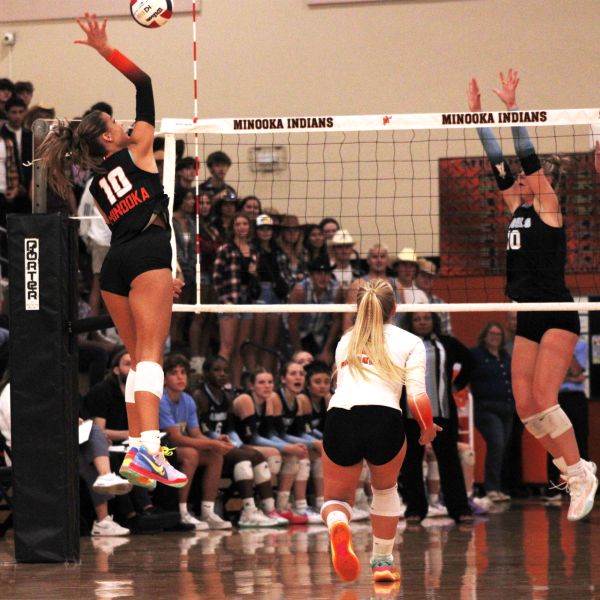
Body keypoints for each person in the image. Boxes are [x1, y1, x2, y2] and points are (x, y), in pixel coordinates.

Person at [37, 14, 187, 488]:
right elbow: (144, 82)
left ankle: (144, 452)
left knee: (135, 354)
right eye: (115, 123)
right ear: (108, 138)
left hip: (119, 266)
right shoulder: (139, 149)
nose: (126, 124)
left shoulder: (99, 181)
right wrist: (107, 51)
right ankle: (147, 450)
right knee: (150, 356)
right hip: (145, 256)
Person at [468, 69, 597, 521]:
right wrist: (477, 117)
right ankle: (573, 466)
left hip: (557, 312)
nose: (517, 177)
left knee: (545, 398)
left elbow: (523, 154)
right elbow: (497, 161)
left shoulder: (547, 205)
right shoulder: (517, 208)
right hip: (528, 314)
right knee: (525, 406)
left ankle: (579, 471)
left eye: (526, 176)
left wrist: (511, 108)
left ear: (541, 180)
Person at [321, 279, 440, 584]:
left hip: (340, 416)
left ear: (358, 309)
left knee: (336, 497)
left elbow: (340, 386)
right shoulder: (411, 342)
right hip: (384, 420)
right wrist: (427, 429)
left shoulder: (346, 340)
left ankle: (338, 523)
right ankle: (383, 562)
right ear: (395, 309)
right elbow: (416, 396)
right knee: (385, 490)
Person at [399, 312, 475, 524]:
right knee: (412, 462)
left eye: (426, 318)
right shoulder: (402, 344)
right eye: (417, 319)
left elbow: (469, 360)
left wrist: (457, 385)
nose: (422, 322)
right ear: (410, 322)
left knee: (449, 460)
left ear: (434, 321)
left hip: (442, 412)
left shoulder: (447, 342)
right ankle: (415, 509)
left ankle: (459, 509)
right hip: (411, 413)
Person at [192, 355, 283, 527]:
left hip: (223, 444)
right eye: (217, 370)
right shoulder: (200, 395)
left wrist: (237, 444)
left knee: (255, 454)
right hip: (207, 445)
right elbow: (204, 430)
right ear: (206, 372)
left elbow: (231, 429)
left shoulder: (227, 396)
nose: (222, 374)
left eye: (226, 370)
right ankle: (248, 511)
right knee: (246, 457)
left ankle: (268, 509)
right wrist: (227, 444)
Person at [159, 354, 232, 530]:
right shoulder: (160, 399)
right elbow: (174, 438)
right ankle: (182, 511)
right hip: (159, 449)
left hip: (176, 447)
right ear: (163, 378)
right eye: (174, 373)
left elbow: (196, 433)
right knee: (191, 454)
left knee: (215, 455)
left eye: (183, 372)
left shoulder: (188, 399)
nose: (180, 377)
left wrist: (215, 442)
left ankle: (207, 512)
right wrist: (211, 444)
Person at [232, 367, 309, 525]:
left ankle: (280, 507)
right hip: (239, 445)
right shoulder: (245, 399)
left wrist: (289, 446)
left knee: (293, 455)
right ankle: (264, 506)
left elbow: (270, 435)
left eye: (269, 382)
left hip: (252, 444)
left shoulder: (267, 400)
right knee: (274, 454)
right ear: (252, 385)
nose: (267, 386)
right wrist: (285, 447)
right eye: (261, 383)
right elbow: (253, 438)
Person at [470, 321, 515, 502]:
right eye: (492, 334)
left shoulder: (505, 356)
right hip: (486, 409)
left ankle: (497, 486)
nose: (496, 337)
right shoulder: (476, 354)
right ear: (485, 336)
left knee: (502, 448)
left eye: (499, 334)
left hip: (507, 408)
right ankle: (491, 488)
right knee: (496, 443)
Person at [213, 212, 258, 388]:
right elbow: (216, 277)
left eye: (245, 224)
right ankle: (220, 385)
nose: (241, 227)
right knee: (227, 346)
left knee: (241, 348)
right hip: (229, 301)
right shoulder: (225, 248)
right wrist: (225, 301)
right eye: (237, 224)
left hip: (247, 302)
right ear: (232, 227)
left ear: (249, 227)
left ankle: (236, 386)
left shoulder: (253, 249)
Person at [545, 338, 590, 505]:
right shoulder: (548, 345)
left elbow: (577, 371)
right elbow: (548, 377)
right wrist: (570, 378)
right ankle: (553, 487)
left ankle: (583, 486)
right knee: (553, 441)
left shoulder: (581, 345)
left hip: (575, 399)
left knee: (579, 441)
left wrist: (566, 347)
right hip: (555, 398)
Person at [247, 214, 295, 373]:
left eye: (269, 228)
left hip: (276, 295)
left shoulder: (278, 251)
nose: (266, 232)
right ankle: (253, 374)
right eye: (262, 228)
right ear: (256, 231)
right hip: (259, 293)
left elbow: (287, 275)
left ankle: (267, 374)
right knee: (256, 338)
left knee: (271, 341)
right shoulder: (251, 249)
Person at [286, 255, 343, 366]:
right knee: (297, 366)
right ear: (311, 275)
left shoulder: (336, 289)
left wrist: (327, 350)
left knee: (322, 365)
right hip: (296, 334)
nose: (323, 277)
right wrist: (299, 352)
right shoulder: (300, 290)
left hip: (319, 334)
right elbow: (292, 322)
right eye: (319, 273)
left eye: (326, 273)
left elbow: (337, 321)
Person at [191, 192, 222, 373]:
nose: (204, 206)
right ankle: (195, 358)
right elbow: (205, 248)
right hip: (200, 272)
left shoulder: (211, 225)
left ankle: (203, 357)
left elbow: (216, 246)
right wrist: (217, 247)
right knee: (199, 315)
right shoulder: (194, 224)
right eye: (201, 203)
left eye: (208, 203)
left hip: (213, 274)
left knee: (210, 316)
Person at [344, 243, 402, 331]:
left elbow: (402, 317)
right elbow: (348, 318)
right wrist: (348, 340)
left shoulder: (397, 284)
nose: (379, 260)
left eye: (382, 256)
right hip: (366, 337)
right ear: (368, 260)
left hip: (393, 336)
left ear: (387, 260)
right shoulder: (358, 284)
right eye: (375, 257)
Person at [1, 96, 32, 213]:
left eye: (21, 112)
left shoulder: (28, 135)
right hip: (7, 189)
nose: (18, 116)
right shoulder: (2, 134)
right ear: (7, 113)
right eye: (14, 112)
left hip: (27, 188)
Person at [415, 258, 453, 335]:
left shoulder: (440, 303)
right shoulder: (406, 297)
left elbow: (447, 332)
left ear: (434, 279)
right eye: (423, 275)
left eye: (430, 277)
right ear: (415, 276)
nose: (426, 279)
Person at [277, 214, 307, 282]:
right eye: (289, 231)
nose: (292, 234)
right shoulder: (278, 252)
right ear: (282, 233)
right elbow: (284, 278)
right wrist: (300, 277)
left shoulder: (303, 252)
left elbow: (308, 274)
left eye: (296, 231)